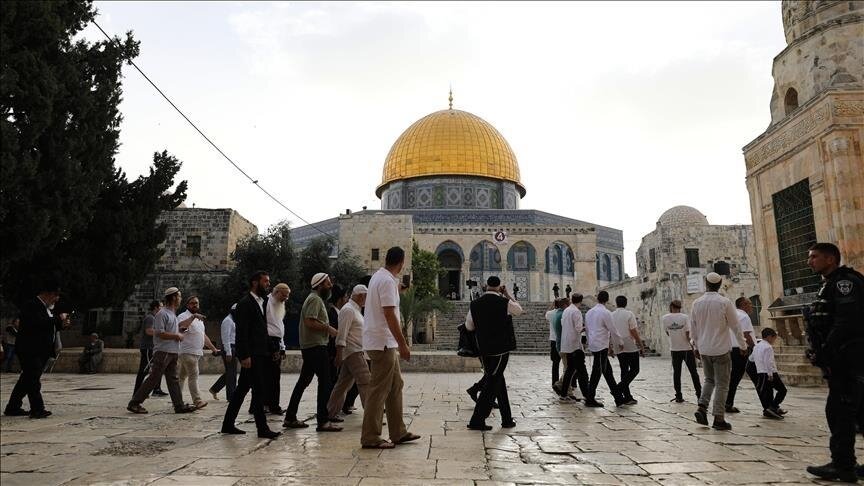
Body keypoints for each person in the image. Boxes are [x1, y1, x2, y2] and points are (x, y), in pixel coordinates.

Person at [804, 243, 864, 483]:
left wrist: (827, 351)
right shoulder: (829, 284)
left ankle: (843, 465)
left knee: (840, 411)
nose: (810, 261)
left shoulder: (844, 284)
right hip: (846, 359)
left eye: (814, 257)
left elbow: (846, 323)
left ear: (830, 259)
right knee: (857, 411)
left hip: (847, 359)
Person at [360, 247, 421, 449]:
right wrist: (403, 344)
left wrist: (398, 290)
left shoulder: (380, 277)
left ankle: (398, 432)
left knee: (396, 386)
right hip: (383, 342)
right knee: (378, 390)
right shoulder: (386, 281)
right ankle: (370, 436)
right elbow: (389, 314)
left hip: (383, 341)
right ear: (401, 262)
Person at [220, 271, 281, 439]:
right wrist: (244, 355)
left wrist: (272, 349)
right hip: (253, 355)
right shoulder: (245, 303)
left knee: (241, 390)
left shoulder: (262, 302)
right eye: (265, 281)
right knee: (259, 390)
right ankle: (262, 429)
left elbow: (263, 330)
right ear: (255, 282)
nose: (268, 284)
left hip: (261, 353)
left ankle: (227, 424)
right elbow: (242, 332)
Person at [127, 287, 201, 415]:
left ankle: (179, 405)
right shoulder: (162, 314)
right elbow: (160, 333)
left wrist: (191, 319)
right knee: (154, 378)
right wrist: (176, 336)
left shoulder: (172, 314)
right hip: (163, 352)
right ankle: (134, 403)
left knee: (173, 379)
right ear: (173, 297)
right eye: (179, 296)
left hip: (172, 352)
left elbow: (177, 327)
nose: (180, 299)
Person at [283, 273, 342, 432]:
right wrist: (328, 329)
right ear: (320, 285)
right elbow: (310, 321)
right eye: (328, 284)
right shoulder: (315, 299)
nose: (330, 286)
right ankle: (323, 421)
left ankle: (290, 416)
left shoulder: (315, 299)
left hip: (311, 347)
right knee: (325, 382)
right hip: (316, 347)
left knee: (303, 382)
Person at [4, 280, 67, 418]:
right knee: (33, 379)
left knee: (26, 379)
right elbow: (37, 323)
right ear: (47, 294)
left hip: (40, 350)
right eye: (55, 295)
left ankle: (13, 407)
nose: (57, 299)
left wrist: (62, 324)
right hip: (29, 349)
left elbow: (49, 327)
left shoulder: (46, 308)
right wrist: (57, 319)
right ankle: (37, 409)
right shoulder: (32, 305)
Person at [690, 272, 745, 431]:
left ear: (706, 284)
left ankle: (702, 406)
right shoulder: (724, 302)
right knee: (722, 384)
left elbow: (693, 328)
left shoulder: (697, 303)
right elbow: (735, 326)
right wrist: (742, 345)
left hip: (705, 348)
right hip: (721, 349)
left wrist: (695, 346)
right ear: (720, 284)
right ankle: (718, 418)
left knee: (709, 380)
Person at [466, 276, 521, 430]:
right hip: (501, 350)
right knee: (492, 382)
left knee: (498, 380)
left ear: (486, 286)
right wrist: (507, 295)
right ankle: (477, 420)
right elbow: (518, 311)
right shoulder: (504, 302)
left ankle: (507, 419)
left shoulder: (475, 304)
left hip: (484, 350)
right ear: (499, 287)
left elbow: (469, 326)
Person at [326, 285, 372, 420]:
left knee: (342, 385)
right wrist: (339, 354)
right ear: (360, 296)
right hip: (353, 352)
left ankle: (329, 412)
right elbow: (342, 334)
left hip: (356, 351)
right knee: (365, 383)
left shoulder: (356, 310)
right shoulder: (348, 310)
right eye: (366, 297)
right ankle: (372, 418)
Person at [584, 291, 626, 408]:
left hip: (594, 344)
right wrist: (620, 342)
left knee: (607, 372)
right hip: (601, 345)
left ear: (597, 299)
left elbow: (587, 329)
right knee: (597, 372)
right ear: (607, 300)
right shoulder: (605, 313)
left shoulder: (589, 312)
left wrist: (589, 341)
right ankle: (590, 398)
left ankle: (618, 397)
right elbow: (612, 329)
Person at [177, 296, 218, 409]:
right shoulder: (183, 316)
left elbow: (203, 336)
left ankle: (177, 399)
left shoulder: (199, 321)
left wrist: (213, 349)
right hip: (187, 352)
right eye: (192, 303)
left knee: (181, 377)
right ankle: (197, 401)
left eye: (197, 303)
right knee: (193, 376)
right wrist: (193, 317)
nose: (195, 305)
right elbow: (181, 327)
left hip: (196, 353)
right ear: (187, 305)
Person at [663, 300, 701, 403]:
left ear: (671, 306)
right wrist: (694, 347)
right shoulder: (684, 317)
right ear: (680, 307)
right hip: (686, 349)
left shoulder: (665, 318)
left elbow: (667, 332)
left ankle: (678, 396)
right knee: (694, 373)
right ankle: (699, 395)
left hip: (674, 349)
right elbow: (688, 333)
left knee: (676, 373)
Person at [725, 296, 756, 414]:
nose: (751, 306)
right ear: (743, 304)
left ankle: (727, 402)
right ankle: (769, 405)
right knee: (738, 377)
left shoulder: (733, 315)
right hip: (742, 350)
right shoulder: (744, 316)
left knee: (734, 377)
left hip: (731, 349)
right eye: (749, 304)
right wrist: (754, 347)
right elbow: (746, 335)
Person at [612, 296, 643, 405]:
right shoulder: (629, 314)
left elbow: (609, 331)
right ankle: (618, 388)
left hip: (617, 344)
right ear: (626, 303)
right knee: (635, 369)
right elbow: (633, 330)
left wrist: (610, 346)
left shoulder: (612, 315)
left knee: (624, 370)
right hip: (629, 343)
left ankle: (627, 397)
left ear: (616, 303)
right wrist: (640, 344)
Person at [264, 283, 290, 414]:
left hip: (277, 342)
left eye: (287, 296)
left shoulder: (280, 304)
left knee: (275, 376)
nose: (286, 298)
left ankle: (271, 404)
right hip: (268, 342)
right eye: (284, 295)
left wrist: (282, 347)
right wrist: (273, 347)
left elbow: (280, 326)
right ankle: (270, 405)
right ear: (277, 292)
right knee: (270, 376)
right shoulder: (267, 303)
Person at [558, 293, 589, 402]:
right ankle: (587, 395)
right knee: (581, 370)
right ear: (581, 301)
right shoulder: (576, 312)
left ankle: (563, 394)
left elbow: (563, 324)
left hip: (566, 344)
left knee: (570, 369)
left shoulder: (566, 310)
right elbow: (578, 328)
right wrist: (587, 327)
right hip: (574, 345)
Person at [752, 328, 786, 420]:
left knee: (768, 392)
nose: (774, 341)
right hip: (769, 372)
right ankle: (773, 407)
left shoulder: (756, 346)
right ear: (769, 337)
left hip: (760, 372)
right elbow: (769, 362)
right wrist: (770, 374)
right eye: (774, 338)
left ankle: (769, 410)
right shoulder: (768, 347)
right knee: (782, 390)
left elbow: (753, 359)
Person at [134, 301, 167, 397]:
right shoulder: (150, 318)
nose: (162, 308)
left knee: (157, 368)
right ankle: (137, 392)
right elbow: (148, 331)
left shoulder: (155, 318)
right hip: (148, 348)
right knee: (144, 371)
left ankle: (156, 389)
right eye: (161, 306)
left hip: (153, 348)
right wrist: (162, 333)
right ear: (156, 307)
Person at [209, 304, 237, 401]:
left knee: (231, 372)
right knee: (231, 374)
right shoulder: (227, 321)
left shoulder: (234, 320)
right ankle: (231, 396)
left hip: (234, 348)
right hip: (229, 348)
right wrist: (228, 352)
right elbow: (225, 338)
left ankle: (214, 389)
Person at [326, 285, 349, 388]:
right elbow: (333, 335)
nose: (347, 299)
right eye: (345, 297)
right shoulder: (332, 314)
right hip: (333, 353)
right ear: (340, 299)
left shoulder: (339, 313)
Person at [546, 300, 562, 393]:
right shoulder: (563, 313)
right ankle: (570, 383)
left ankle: (554, 382)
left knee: (555, 363)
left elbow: (546, 314)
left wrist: (551, 305)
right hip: (562, 340)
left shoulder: (550, 313)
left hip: (553, 340)